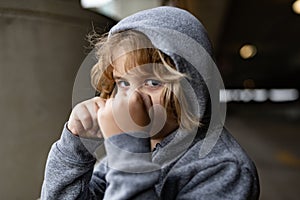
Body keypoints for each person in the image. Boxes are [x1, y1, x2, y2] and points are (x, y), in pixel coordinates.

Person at [41, 6, 259, 199]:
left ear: (194, 86)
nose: (132, 99)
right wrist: (75, 145)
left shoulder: (225, 169)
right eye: (124, 83)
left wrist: (128, 154)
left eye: (153, 82)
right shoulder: (133, 149)